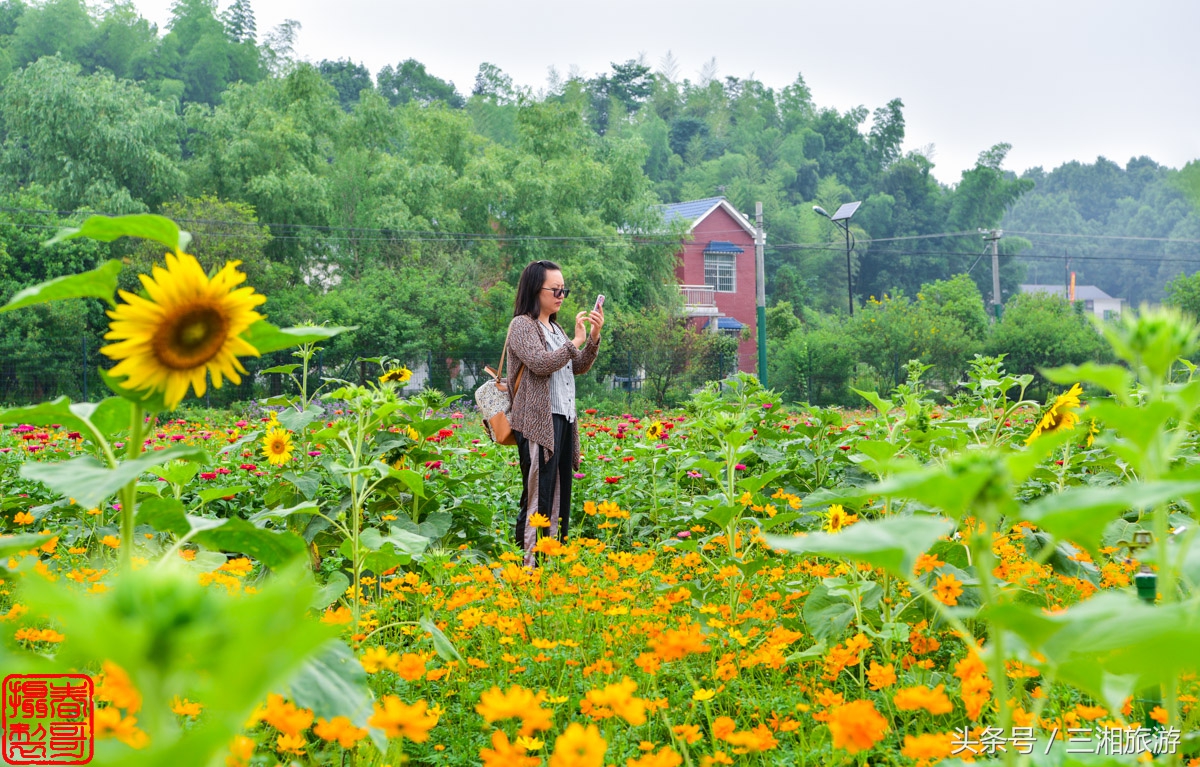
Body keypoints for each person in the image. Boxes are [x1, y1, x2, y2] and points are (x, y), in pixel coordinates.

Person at [505, 260, 604, 566]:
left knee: (561, 493)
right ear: (536, 289)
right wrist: (573, 342)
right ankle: (530, 567)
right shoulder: (522, 325)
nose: (562, 295)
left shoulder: (556, 328)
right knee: (539, 495)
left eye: (564, 289)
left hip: (562, 418)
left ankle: (553, 563)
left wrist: (592, 338)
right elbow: (539, 363)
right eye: (556, 289)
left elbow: (577, 366)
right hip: (537, 422)